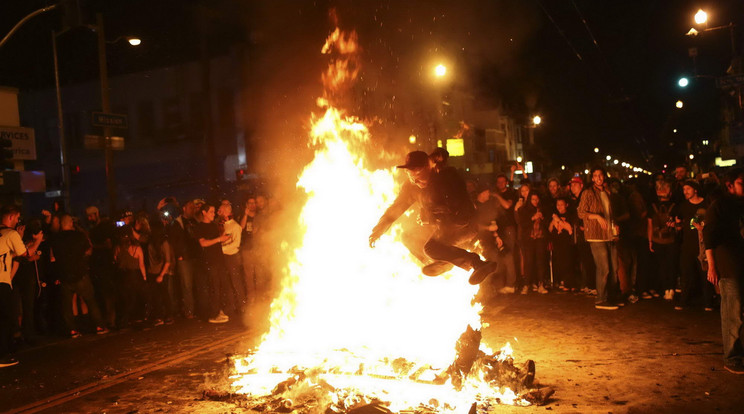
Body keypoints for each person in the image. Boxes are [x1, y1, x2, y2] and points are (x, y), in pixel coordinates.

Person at [369, 151, 499, 285]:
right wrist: (379, 229)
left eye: (417, 172)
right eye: (409, 172)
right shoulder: (411, 187)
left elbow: (458, 210)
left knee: (431, 248)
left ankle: (476, 263)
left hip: (464, 224)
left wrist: (430, 218)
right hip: (442, 226)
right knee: (407, 237)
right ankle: (441, 261)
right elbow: (396, 208)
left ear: (428, 168)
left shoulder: (446, 178)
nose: (414, 178)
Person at [703, 169, 744, 374]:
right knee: (732, 312)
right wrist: (711, 266)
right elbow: (708, 237)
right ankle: (732, 356)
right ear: (729, 185)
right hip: (729, 265)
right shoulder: (719, 206)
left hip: (741, 261)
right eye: (741, 183)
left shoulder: (740, 205)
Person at [50, 214, 108, 337]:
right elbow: (88, 250)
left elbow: (53, 258)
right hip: (80, 273)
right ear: (71, 223)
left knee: (68, 305)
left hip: (64, 276)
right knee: (91, 301)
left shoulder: (55, 239)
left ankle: (72, 330)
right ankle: (99, 326)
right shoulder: (78, 236)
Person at [0, 206, 43, 368]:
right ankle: (2, 355)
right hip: (2, 282)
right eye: (17, 218)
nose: (18, 221)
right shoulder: (11, 234)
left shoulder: (4, 235)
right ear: (11, 217)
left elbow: (9, 254)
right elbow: (27, 253)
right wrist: (38, 240)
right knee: (6, 319)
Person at [577, 167, 620, 310]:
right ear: (593, 179)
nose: (598, 178)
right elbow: (581, 213)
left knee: (614, 268)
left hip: (610, 234)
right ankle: (601, 298)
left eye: (600, 175)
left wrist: (616, 225)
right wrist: (596, 216)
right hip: (596, 235)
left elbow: (610, 213)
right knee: (604, 268)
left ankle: (612, 297)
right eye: (595, 176)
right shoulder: (588, 193)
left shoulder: (607, 192)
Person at [674, 180, 711, 311]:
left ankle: (708, 302)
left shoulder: (706, 204)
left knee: (704, 273)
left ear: (695, 189)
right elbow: (679, 222)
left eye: (688, 189)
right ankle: (684, 301)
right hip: (688, 244)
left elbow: (712, 222)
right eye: (684, 190)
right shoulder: (683, 206)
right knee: (686, 273)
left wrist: (703, 228)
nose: (685, 192)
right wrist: (677, 225)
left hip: (703, 245)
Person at [193, 204, 232, 323]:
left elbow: (216, 241)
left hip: (219, 259)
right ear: (204, 213)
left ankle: (219, 310)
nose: (213, 214)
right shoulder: (199, 227)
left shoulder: (214, 226)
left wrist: (223, 239)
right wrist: (219, 239)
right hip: (210, 261)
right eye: (211, 212)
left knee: (221, 285)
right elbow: (203, 243)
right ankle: (213, 314)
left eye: (214, 211)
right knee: (214, 287)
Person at [648, 179, 678, 302]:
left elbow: (649, 225)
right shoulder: (675, 206)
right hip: (671, 239)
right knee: (672, 265)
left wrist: (650, 240)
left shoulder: (652, 206)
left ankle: (665, 289)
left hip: (657, 239)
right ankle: (672, 288)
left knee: (662, 265)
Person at [218, 202, 246, 314]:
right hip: (224, 258)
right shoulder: (223, 225)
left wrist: (221, 250)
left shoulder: (235, 226)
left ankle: (243, 306)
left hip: (233, 257)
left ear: (226, 212)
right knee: (227, 283)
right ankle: (232, 306)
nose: (217, 212)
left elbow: (236, 244)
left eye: (219, 210)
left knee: (236, 282)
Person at [518, 192, 549, 293]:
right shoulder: (524, 210)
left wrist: (542, 217)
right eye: (533, 199)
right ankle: (526, 285)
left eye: (537, 199)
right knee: (528, 261)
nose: (535, 201)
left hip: (540, 237)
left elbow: (547, 223)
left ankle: (541, 284)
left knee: (540, 261)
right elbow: (522, 224)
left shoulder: (543, 209)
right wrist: (533, 218)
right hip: (529, 238)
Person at [549, 198, 576, 291]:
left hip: (567, 242)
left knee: (568, 262)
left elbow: (570, 229)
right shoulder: (555, 216)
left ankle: (571, 283)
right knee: (560, 262)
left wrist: (559, 221)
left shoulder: (570, 215)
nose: (559, 206)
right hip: (557, 242)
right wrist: (553, 221)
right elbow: (550, 229)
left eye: (561, 204)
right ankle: (564, 281)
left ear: (566, 205)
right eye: (558, 205)